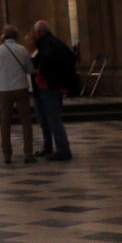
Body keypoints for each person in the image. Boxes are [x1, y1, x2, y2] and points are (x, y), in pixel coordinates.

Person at [0, 25, 36, 166]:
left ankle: (7, 154)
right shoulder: (22, 49)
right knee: (26, 121)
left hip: (4, 89)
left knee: (5, 122)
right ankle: (28, 153)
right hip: (21, 88)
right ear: (17, 37)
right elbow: (30, 69)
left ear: (3, 36)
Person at [31, 19, 79, 160]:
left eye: (35, 32)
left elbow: (46, 65)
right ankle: (48, 147)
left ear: (40, 32)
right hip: (53, 86)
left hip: (50, 87)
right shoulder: (56, 43)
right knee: (46, 119)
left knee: (53, 119)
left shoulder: (47, 44)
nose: (34, 35)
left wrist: (41, 72)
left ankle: (63, 150)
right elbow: (71, 58)